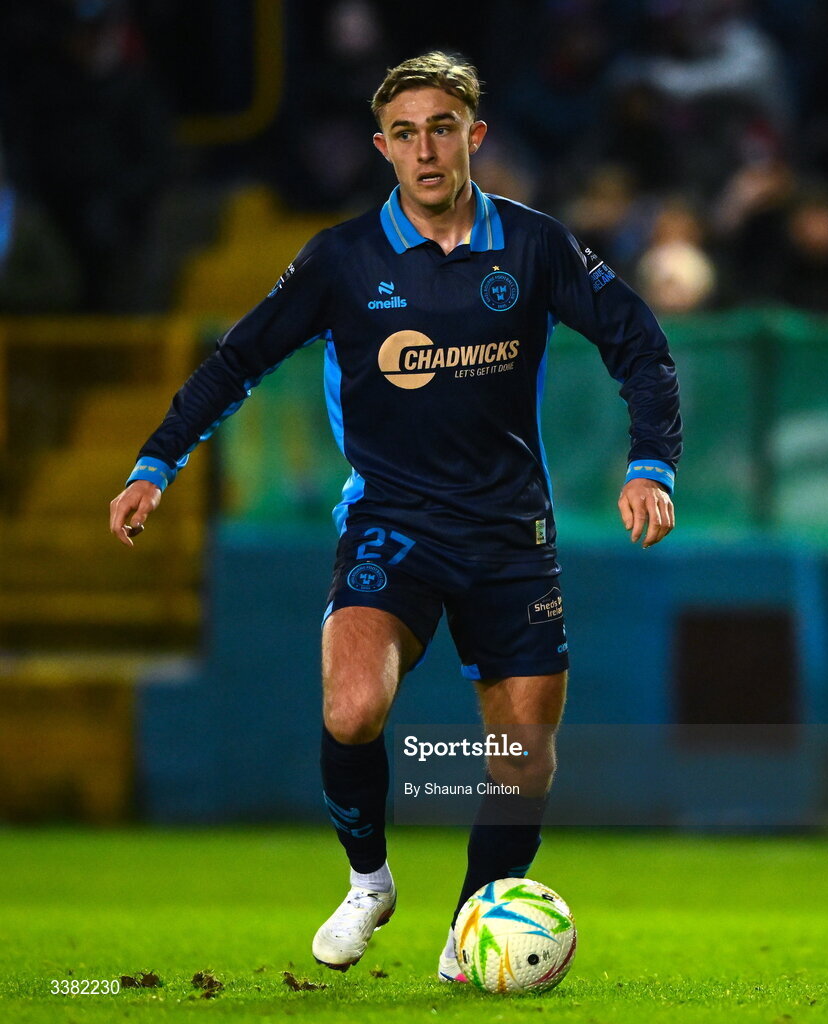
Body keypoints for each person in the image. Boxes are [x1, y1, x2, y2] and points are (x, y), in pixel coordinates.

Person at [109, 52, 681, 981]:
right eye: (405, 133)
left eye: (442, 128)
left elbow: (640, 347)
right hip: (392, 520)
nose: (425, 149)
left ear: (473, 137)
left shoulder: (534, 245)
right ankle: (368, 883)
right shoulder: (341, 259)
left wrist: (650, 463)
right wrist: (156, 461)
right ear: (382, 148)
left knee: (522, 760)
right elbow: (238, 360)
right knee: (352, 708)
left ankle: (471, 928)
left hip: (510, 536)